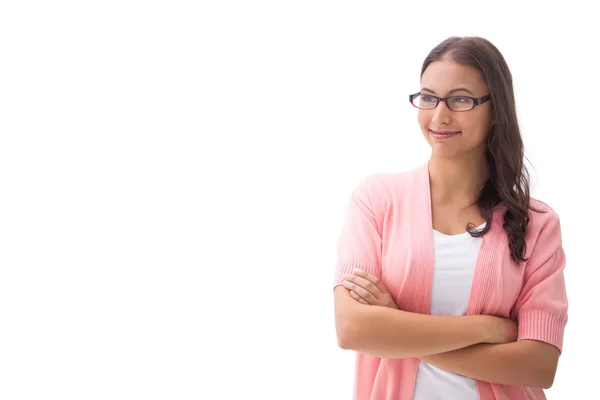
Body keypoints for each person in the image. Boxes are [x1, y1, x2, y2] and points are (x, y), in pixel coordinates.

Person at [332, 36, 568, 400]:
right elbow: (352, 329)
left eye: (460, 100)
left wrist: (396, 329)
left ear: (495, 110)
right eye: (428, 98)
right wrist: (487, 328)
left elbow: (539, 365)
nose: (440, 116)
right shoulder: (376, 200)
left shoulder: (537, 222)